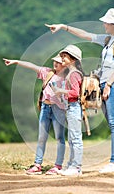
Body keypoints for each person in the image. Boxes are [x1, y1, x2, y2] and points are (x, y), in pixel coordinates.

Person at [45, 8, 114, 173]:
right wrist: (63, 26)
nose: (104, 24)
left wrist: (109, 85)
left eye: (106, 22)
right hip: (104, 83)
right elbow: (84, 35)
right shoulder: (107, 39)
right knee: (112, 122)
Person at [3, 55, 67, 175]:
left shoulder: (67, 77)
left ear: (64, 64)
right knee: (41, 137)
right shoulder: (48, 72)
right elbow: (32, 66)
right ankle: (37, 164)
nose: (55, 63)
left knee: (59, 138)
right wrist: (16, 62)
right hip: (45, 107)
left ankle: (58, 166)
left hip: (58, 109)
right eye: (54, 61)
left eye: (58, 62)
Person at [50, 44, 84, 176]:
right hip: (71, 108)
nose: (62, 58)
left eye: (65, 56)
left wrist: (60, 91)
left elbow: (75, 93)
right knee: (72, 138)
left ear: (73, 59)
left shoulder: (74, 74)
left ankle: (76, 167)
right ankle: (71, 165)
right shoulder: (71, 73)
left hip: (74, 107)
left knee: (75, 138)